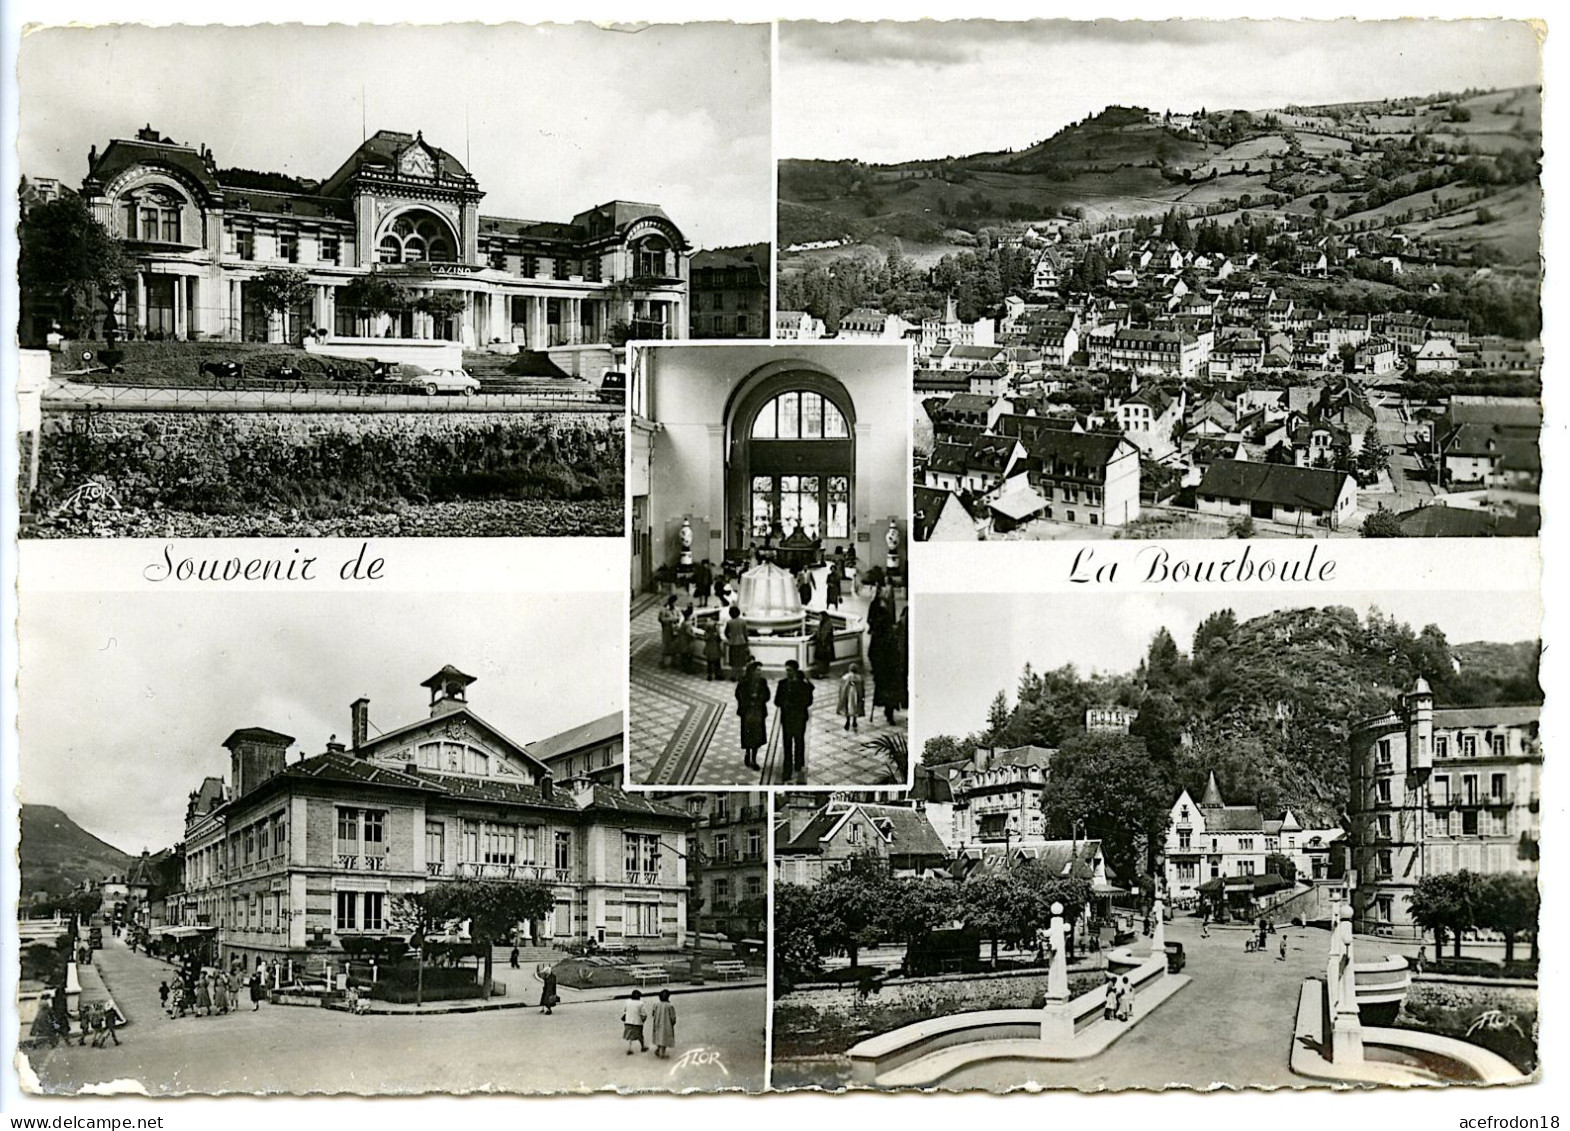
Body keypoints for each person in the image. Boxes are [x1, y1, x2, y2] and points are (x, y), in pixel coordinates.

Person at [775, 659, 815, 783]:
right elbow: (777, 701)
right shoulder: (782, 684)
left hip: (798, 717)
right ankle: (787, 769)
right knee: (787, 744)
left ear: (795, 670)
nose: (787, 673)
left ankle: (799, 765)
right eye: (786, 670)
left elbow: (809, 701)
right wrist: (784, 703)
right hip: (787, 718)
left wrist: (796, 705)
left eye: (790, 670)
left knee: (799, 742)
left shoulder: (803, 685)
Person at [736, 661, 771, 771]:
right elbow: (738, 694)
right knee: (748, 733)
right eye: (758, 670)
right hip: (747, 711)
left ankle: (754, 758)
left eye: (760, 670)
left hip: (758, 711)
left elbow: (767, 695)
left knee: (757, 735)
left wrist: (759, 698)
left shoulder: (763, 682)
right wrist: (748, 700)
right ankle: (747, 752)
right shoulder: (744, 682)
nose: (760, 672)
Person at [648, 988, 677, 1058]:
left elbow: (653, 1013)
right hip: (666, 1025)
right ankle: (662, 1054)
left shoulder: (656, 1004)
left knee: (659, 1037)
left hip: (657, 1023)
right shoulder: (670, 1006)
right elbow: (673, 1017)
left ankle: (658, 1049)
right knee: (664, 1038)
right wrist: (673, 1022)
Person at [724, 606, 751, 681]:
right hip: (741, 642)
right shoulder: (743, 621)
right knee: (741, 660)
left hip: (733, 643)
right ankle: (741, 676)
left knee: (733, 661)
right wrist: (746, 641)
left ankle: (734, 676)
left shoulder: (729, 622)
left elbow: (726, 632)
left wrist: (730, 638)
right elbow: (745, 633)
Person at [838, 661, 866, 732]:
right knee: (855, 707)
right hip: (856, 695)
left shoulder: (845, 677)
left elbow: (841, 688)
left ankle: (847, 721)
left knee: (848, 707)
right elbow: (862, 688)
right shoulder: (859, 678)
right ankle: (854, 721)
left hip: (848, 695)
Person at [657, 596, 682, 669]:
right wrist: (671, 619)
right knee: (665, 645)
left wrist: (678, 618)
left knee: (674, 645)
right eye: (674, 602)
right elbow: (661, 619)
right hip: (667, 630)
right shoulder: (663, 609)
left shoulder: (676, 609)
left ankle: (673, 661)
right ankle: (663, 662)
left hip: (674, 629)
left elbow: (679, 615)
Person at [811, 611, 837, 678]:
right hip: (822, 644)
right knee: (821, 659)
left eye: (820, 616)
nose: (819, 618)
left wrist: (824, 643)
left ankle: (823, 672)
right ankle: (821, 672)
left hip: (825, 645)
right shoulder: (822, 623)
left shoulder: (828, 624)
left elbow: (826, 635)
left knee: (824, 659)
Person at [622, 990, 648, 1054]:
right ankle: (643, 1047)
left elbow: (624, 1010)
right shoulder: (641, 1003)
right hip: (637, 1022)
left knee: (630, 1036)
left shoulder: (627, 1002)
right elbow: (644, 1014)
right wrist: (643, 1019)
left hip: (628, 1021)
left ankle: (629, 1049)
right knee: (640, 1035)